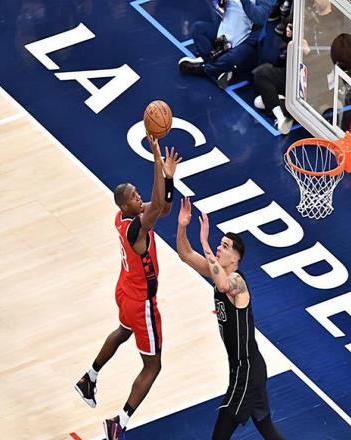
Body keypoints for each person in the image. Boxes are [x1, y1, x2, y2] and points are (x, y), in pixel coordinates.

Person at [74, 134, 182, 440]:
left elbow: (163, 208)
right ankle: (118, 423)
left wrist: (168, 178)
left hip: (125, 289)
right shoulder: (136, 228)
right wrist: (158, 163)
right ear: (126, 205)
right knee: (153, 366)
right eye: (135, 196)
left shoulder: (122, 216)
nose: (139, 197)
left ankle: (89, 378)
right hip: (142, 302)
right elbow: (158, 205)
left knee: (123, 331)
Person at [176, 197, 285, 440]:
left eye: (225, 246)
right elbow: (186, 254)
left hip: (247, 369)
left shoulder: (237, 281)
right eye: (219, 244)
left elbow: (224, 285)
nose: (219, 248)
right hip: (245, 366)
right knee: (265, 427)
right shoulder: (217, 273)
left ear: (235, 258)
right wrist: (182, 226)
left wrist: (204, 241)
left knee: (220, 435)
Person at [178, 0, 273, 89]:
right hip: (224, 32)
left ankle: (204, 68)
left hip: (245, 42)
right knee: (198, 29)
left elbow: (260, 18)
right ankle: (219, 66)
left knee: (233, 58)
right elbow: (219, 7)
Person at [252, 21, 295, 134]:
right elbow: (278, 62)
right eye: (288, 26)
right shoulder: (286, 44)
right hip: (288, 77)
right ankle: (281, 117)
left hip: (303, 83)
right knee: (258, 101)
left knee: (262, 98)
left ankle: (285, 111)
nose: (288, 29)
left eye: (291, 28)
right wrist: (288, 40)